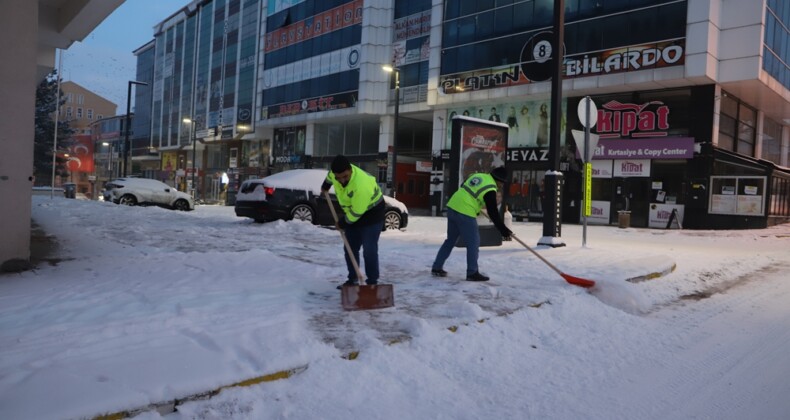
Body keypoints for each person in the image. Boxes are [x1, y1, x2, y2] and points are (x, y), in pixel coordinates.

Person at [431, 166, 512, 281]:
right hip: (465, 211)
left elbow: (465, 187)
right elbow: (493, 212)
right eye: (502, 183)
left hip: (453, 206)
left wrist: (476, 204)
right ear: (498, 180)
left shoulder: (479, 175)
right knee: (473, 242)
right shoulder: (491, 188)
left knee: (450, 240)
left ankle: (436, 267)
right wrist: (503, 229)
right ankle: (472, 272)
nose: (502, 185)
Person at [321, 155, 386, 289]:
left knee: (369, 249)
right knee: (350, 247)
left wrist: (343, 223)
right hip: (353, 212)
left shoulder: (361, 185)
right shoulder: (335, 175)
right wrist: (326, 185)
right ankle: (353, 279)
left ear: (350, 170)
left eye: (345, 176)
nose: (342, 181)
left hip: (372, 213)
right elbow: (329, 176)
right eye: (338, 178)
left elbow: (357, 212)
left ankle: (372, 283)